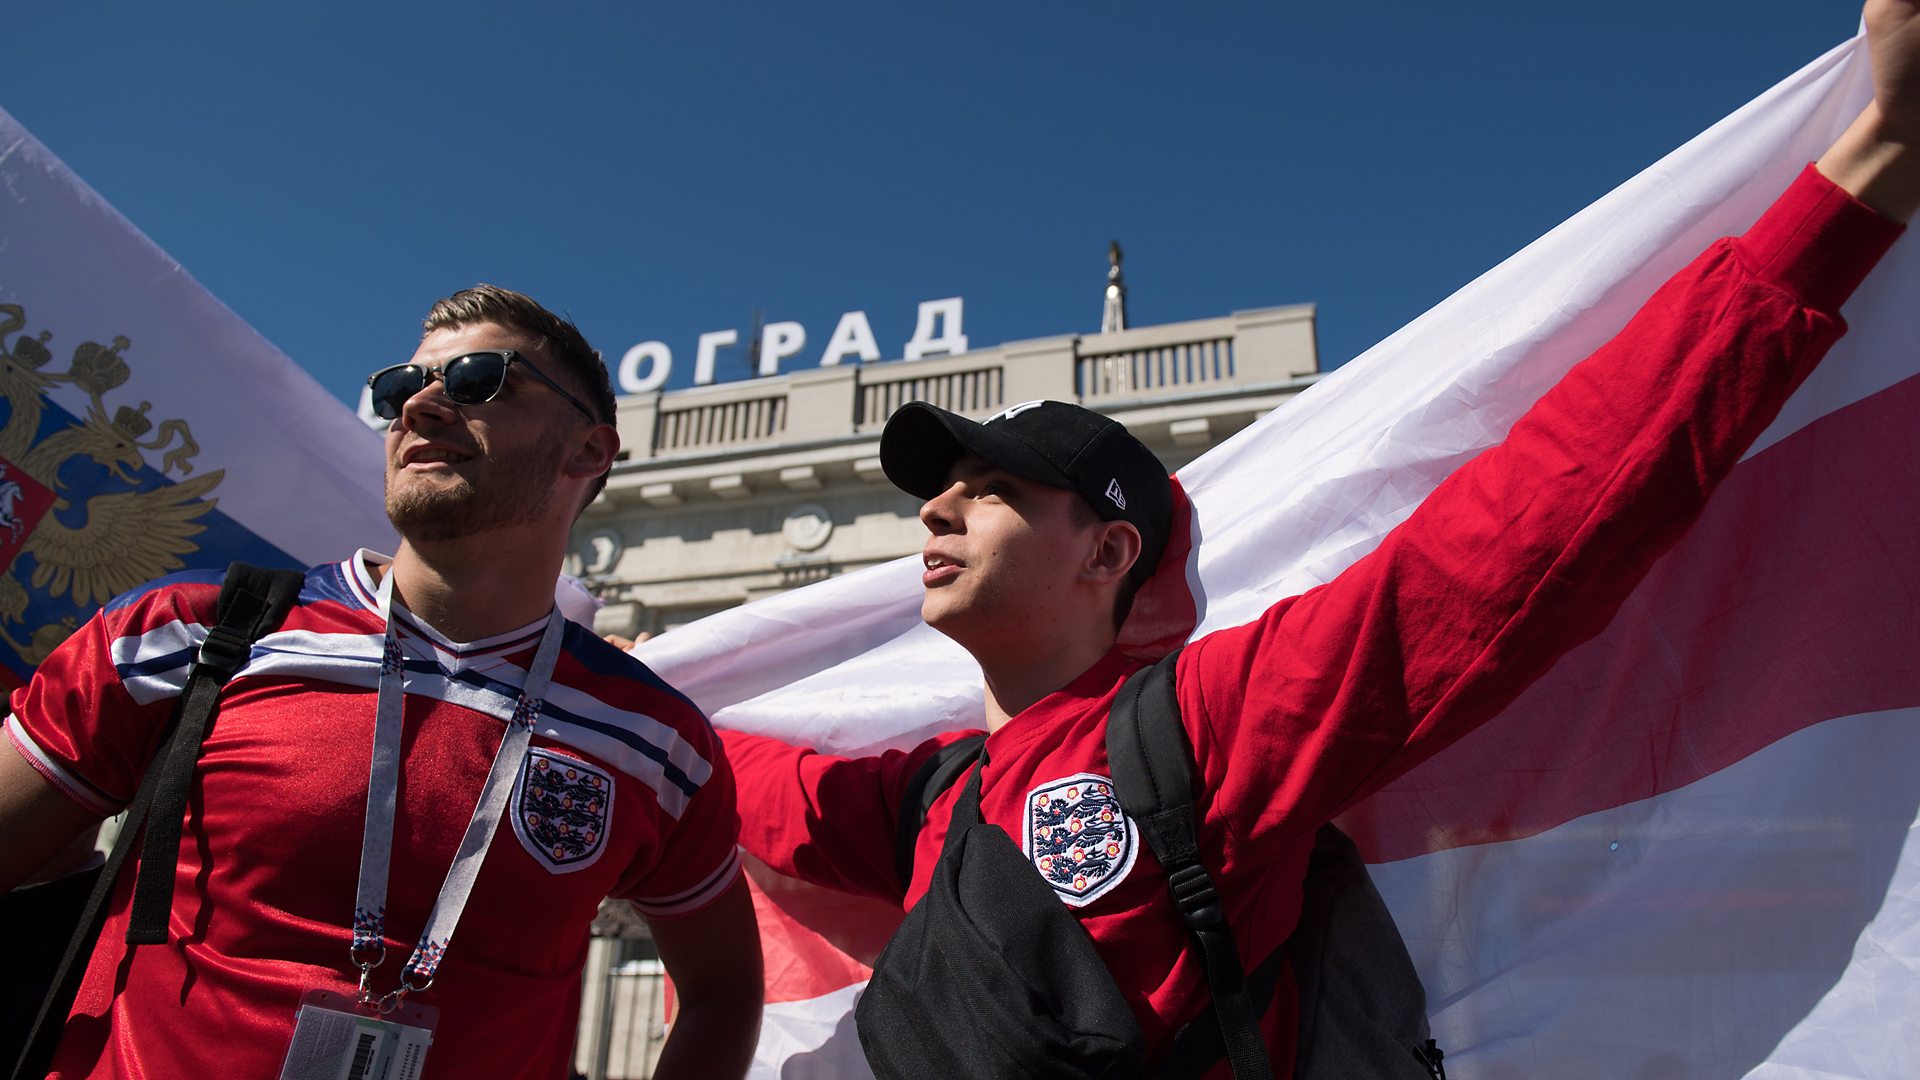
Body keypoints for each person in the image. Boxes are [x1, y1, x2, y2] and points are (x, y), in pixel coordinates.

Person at [718, 1, 1920, 1074]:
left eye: (992, 490)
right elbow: (694, 763)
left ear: (1107, 554)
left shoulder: (1210, 726)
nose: (934, 510)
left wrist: (1869, 171)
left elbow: (1534, 526)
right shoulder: (922, 800)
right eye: (943, 490)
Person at [0, 285, 762, 1079]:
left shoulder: (657, 740)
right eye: (399, 389)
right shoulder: (187, 636)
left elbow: (723, 993)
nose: (422, 407)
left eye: (479, 379)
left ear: (589, 451)